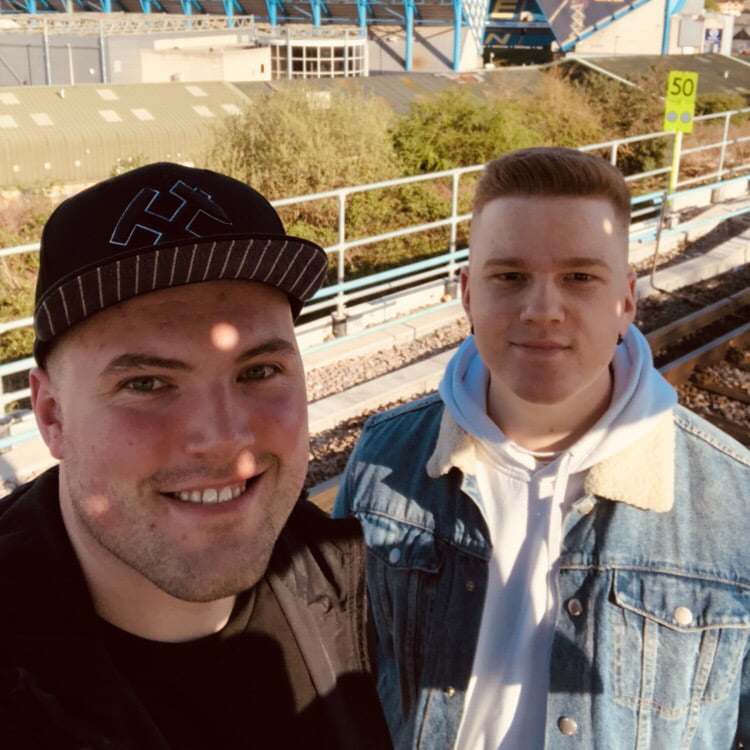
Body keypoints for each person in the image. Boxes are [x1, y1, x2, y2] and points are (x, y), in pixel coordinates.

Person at [334, 147, 749, 749]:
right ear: (468, 294)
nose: (542, 311)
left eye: (579, 277)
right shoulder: (384, 457)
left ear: (626, 301)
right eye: (509, 277)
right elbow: (343, 673)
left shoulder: (735, 500)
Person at [0, 162, 391, 749]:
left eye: (259, 371)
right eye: (146, 384)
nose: (223, 437)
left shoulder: (361, 586)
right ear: (52, 415)